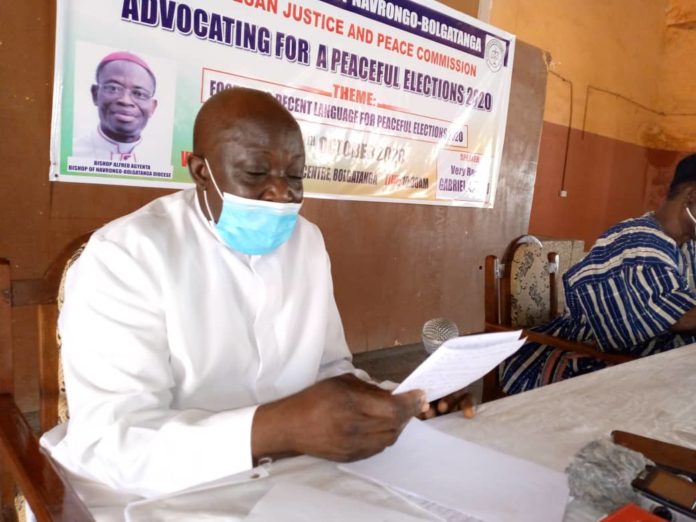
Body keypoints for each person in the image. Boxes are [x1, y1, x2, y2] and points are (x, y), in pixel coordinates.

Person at [41, 87, 474, 519]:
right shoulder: (128, 253)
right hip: (162, 495)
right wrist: (274, 429)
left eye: (296, 175)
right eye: (255, 173)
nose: (281, 194)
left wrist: (396, 403)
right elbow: (111, 441)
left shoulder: (306, 242)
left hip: (298, 479)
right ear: (200, 171)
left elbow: (329, 370)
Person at [500, 153, 696, 394]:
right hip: (576, 359)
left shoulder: (685, 245)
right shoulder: (638, 240)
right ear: (693, 196)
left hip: (632, 365)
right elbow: (676, 317)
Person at [72, 51, 158, 162]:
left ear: (152, 107)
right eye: (113, 88)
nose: (125, 101)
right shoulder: (72, 153)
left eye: (139, 94)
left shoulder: (160, 159)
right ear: (95, 94)